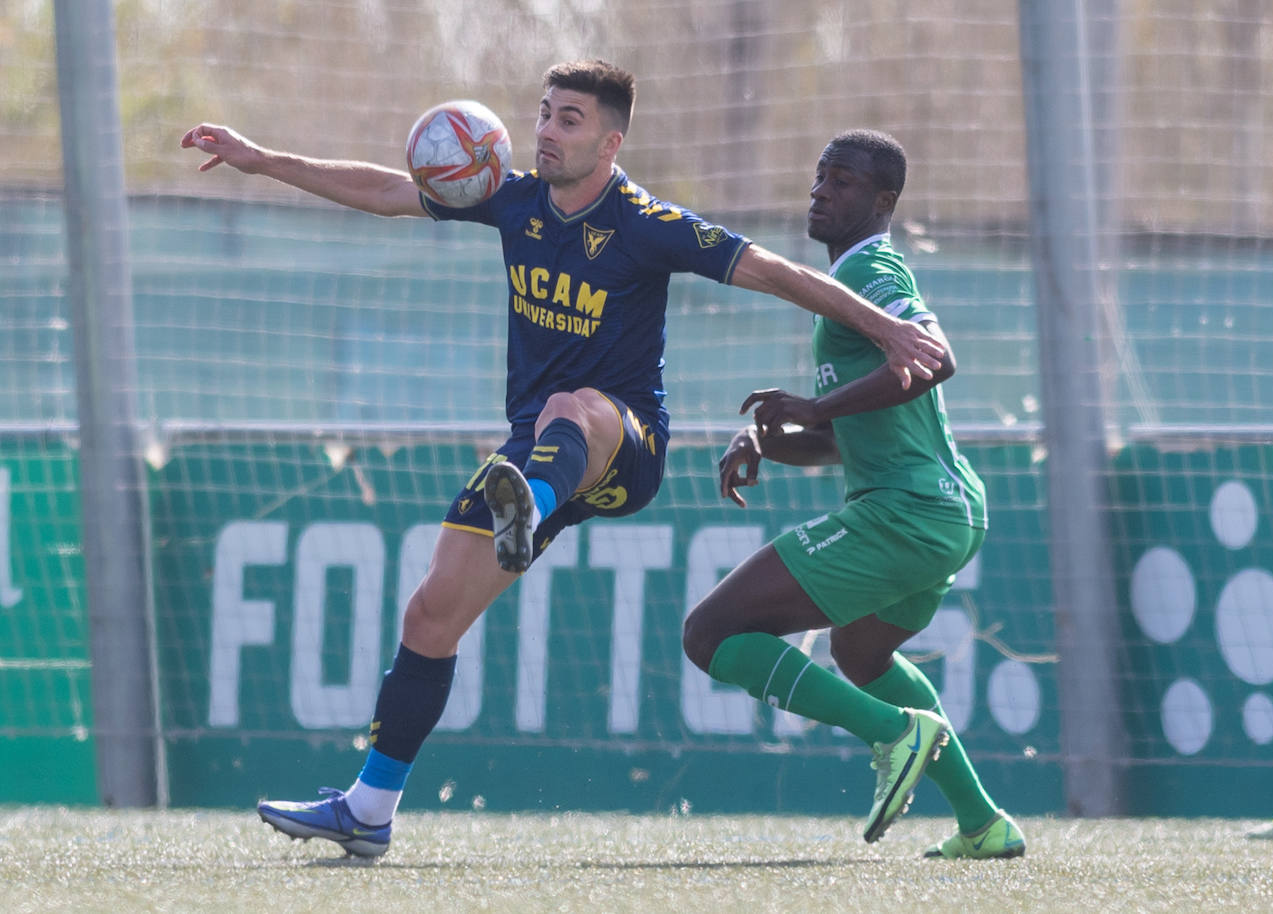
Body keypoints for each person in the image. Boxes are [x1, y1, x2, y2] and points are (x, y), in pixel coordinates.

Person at [182, 60, 946, 858]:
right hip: (537, 455)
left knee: (569, 407)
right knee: (431, 615)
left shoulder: (646, 223)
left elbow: (777, 272)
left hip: (625, 446)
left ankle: (530, 509)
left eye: (569, 120)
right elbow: (382, 191)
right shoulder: (511, 199)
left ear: (611, 142)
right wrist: (262, 159)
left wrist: (890, 331)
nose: (546, 130)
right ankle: (370, 808)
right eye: (544, 114)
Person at [681, 129, 1026, 858]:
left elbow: (933, 357)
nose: (821, 193)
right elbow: (847, 438)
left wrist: (811, 406)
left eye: (841, 182)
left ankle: (893, 734)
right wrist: (773, 439)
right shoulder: (848, 283)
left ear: (883, 200)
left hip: (909, 513)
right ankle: (983, 824)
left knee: (709, 635)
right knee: (861, 654)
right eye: (819, 178)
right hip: (946, 511)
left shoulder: (871, 271)